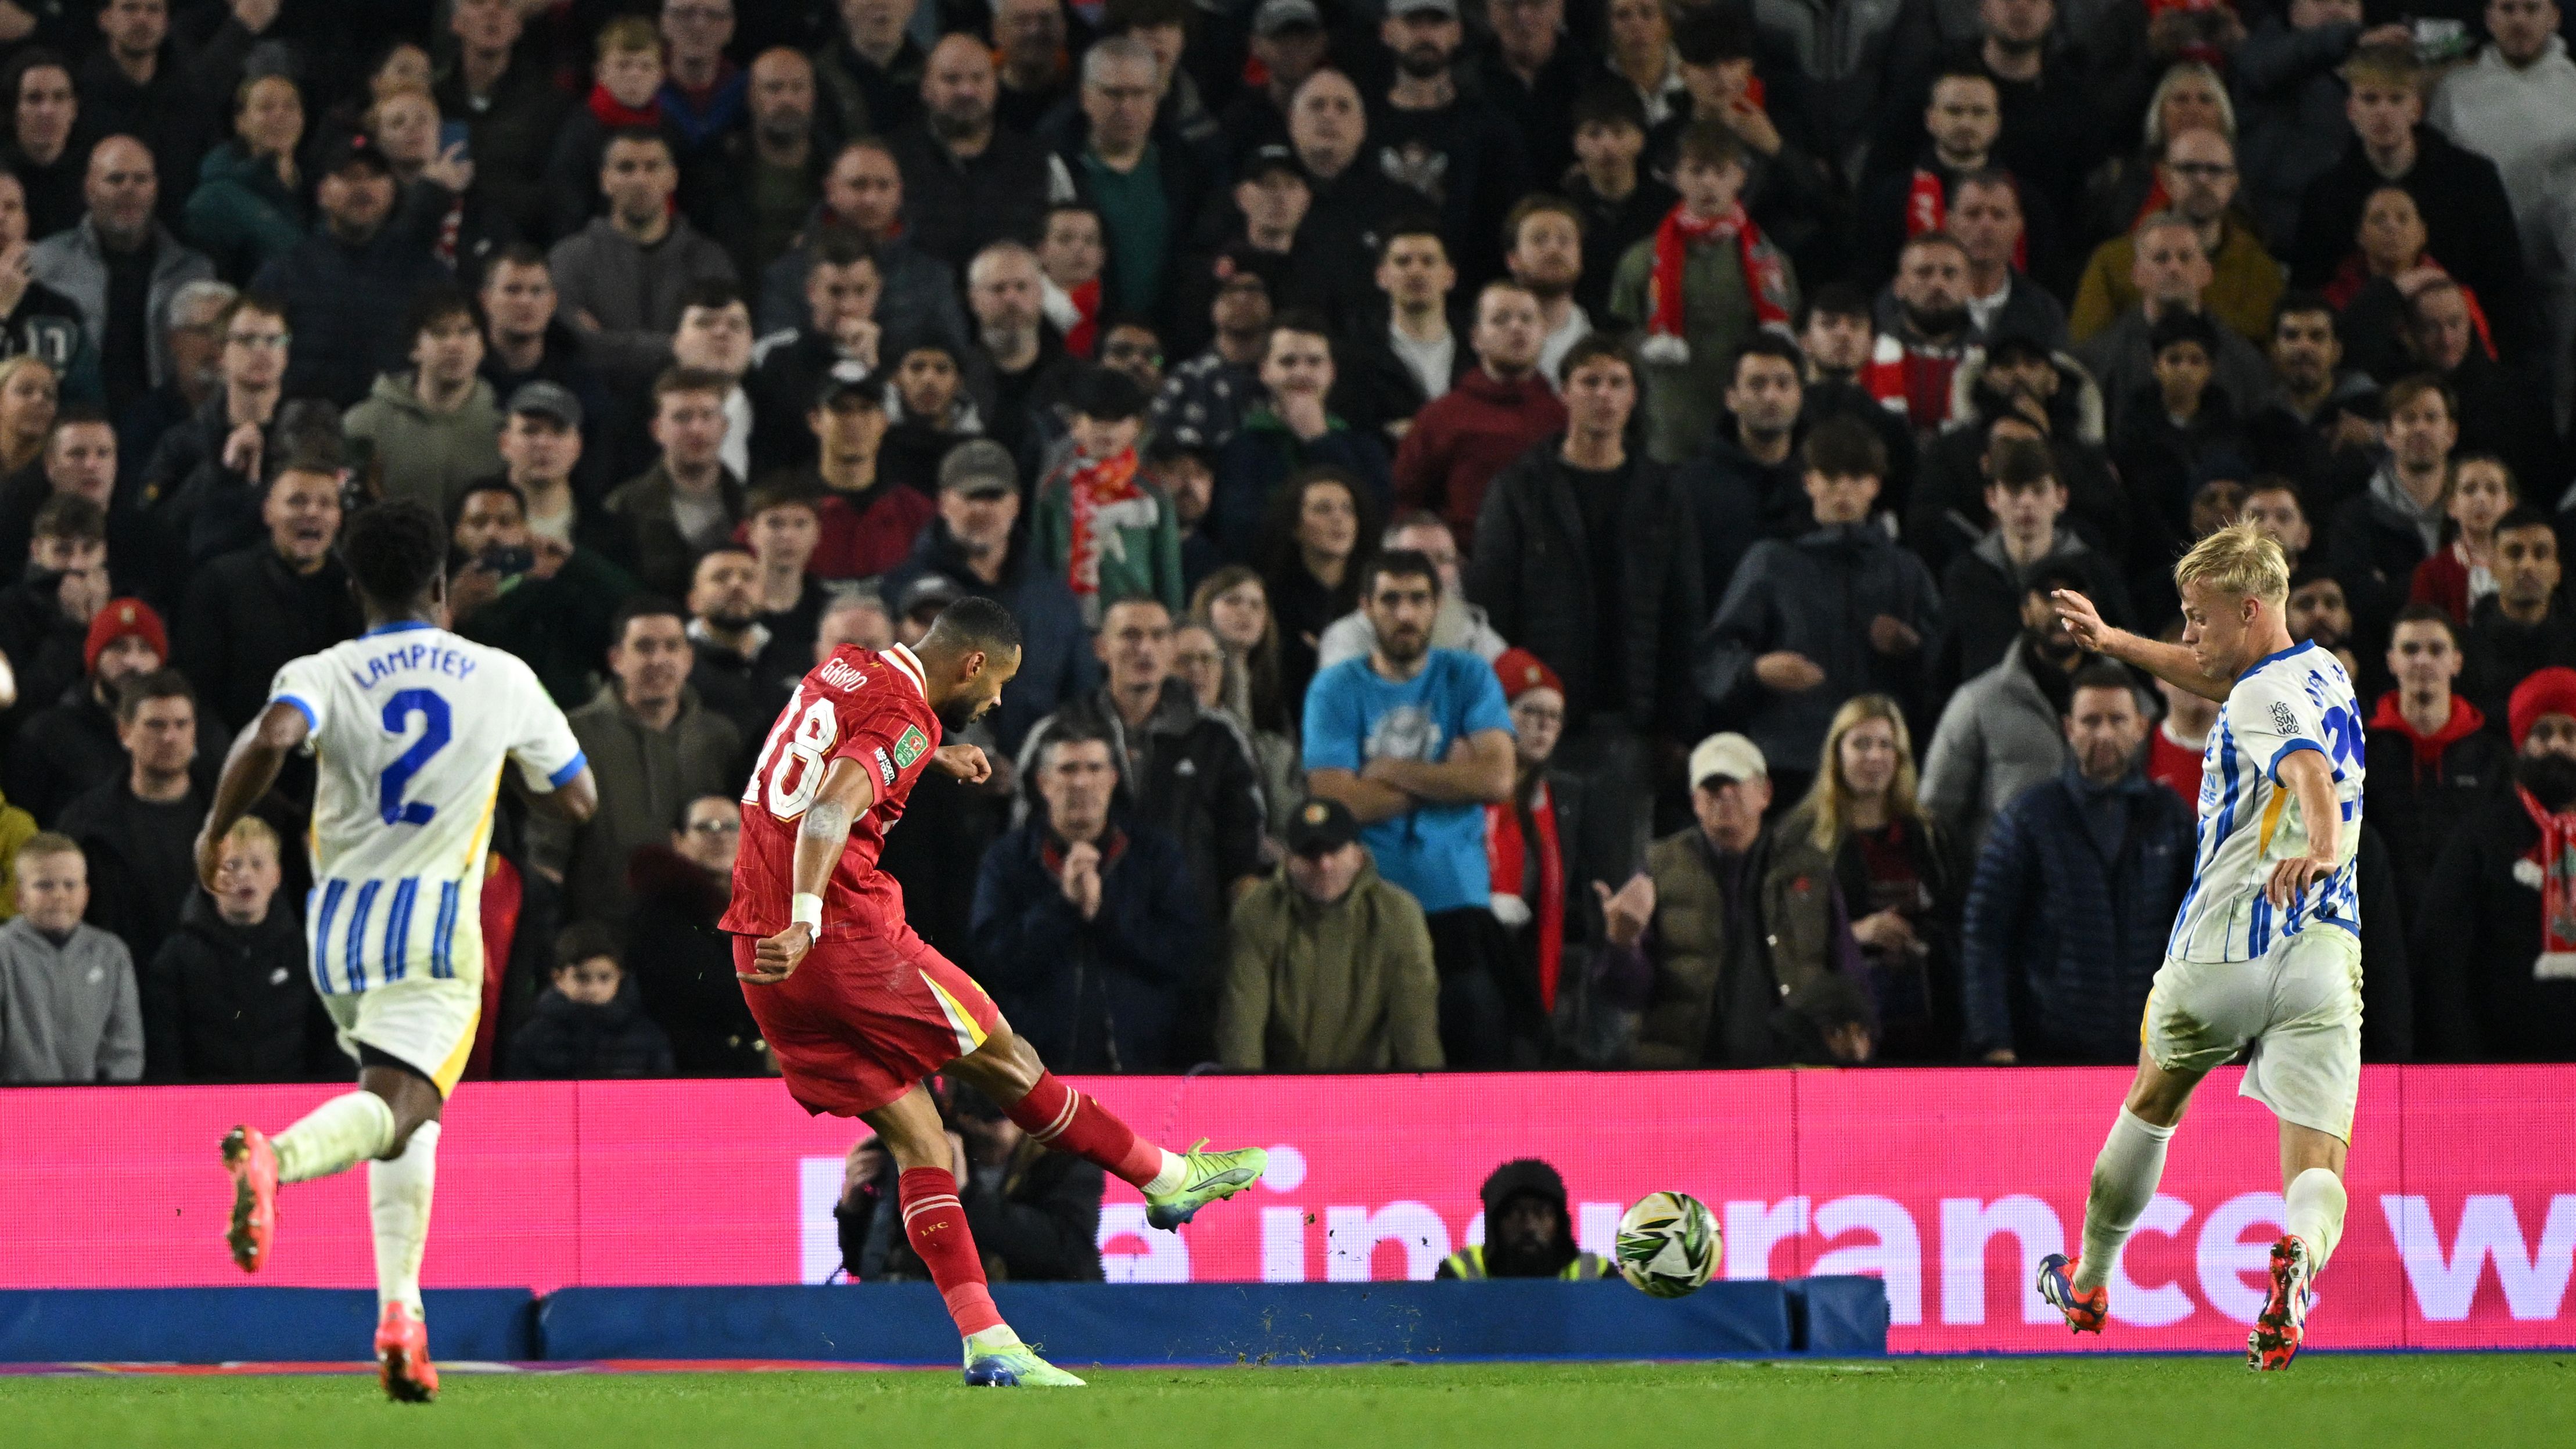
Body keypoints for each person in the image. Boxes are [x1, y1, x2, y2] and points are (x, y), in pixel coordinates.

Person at [725, 594, 1267, 1387]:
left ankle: (988, 1340)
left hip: (756, 954)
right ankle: (1165, 1178)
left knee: (917, 1137)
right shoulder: (904, 717)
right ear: (971, 662)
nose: (998, 702)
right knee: (1010, 1061)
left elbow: (816, 755)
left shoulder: (843, 664)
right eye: (1000, 683)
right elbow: (830, 803)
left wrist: (926, 755)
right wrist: (809, 915)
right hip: (836, 936)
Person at [205, 499, 599, 1401]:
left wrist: (217, 828)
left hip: (337, 939)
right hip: (432, 936)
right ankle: (279, 1158)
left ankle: (400, 1317)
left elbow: (272, 735)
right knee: (400, 1100)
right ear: (438, 584)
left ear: (355, 588)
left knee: (409, 1109)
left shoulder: (324, 668)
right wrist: (499, 777)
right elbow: (575, 799)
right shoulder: (499, 676)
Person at [2040, 522, 2367, 1369]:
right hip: (2320, 953)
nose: (2188, 634)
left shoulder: (2259, 698)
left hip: (2221, 946)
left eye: (2198, 617)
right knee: (2317, 1158)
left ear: (2248, 609)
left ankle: (2087, 1277)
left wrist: (2322, 845)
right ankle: (2296, 1256)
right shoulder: (2321, 670)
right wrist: (2112, 640)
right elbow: (2226, 679)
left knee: (2151, 1101)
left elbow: (2305, 771)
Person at [1303, 550, 1521, 1065]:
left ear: (1437, 605)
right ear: (1366, 608)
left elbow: (1496, 777)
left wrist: (1387, 770)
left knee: (1474, 1066)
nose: (1405, 614)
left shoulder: (1467, 675)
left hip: (1458, 901)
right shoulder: (1335, 687)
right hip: (1367, 901)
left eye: (1418, 600)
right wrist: (1449, 775)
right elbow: (1337, 803)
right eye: (1390, 600)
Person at [1961, 663, 2196, 1066]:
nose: (2103, 732)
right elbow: (1984, 936)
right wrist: (1993, 1041)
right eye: (2090, 720)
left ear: (2141, 726)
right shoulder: (2028, 818)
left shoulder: (2170, 818)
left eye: (2116, 719)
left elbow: (2201, 934)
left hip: (2152, 1053)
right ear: (2068, 728)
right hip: (2048, 1054)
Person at [1698, 418, 1941, 802]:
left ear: (1875, 486)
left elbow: (1945, 668)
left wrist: (1913, 647)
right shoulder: (1771, 562)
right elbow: (1714, 656)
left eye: (1856, 476)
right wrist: (1757, 670)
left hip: (1880, 766)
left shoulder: (1905, 571)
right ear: (1808, 481)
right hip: (1790, 763)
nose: (1842, 488)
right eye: (1830, 476)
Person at [1597, 731, 1870, 1067]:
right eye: (1712, 787)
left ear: (1765, 793)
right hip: (1687, 1075)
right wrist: (1623, 944)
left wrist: (1860, 1037)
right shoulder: (1659, 868)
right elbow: (1624, 996)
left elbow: (1848, 971)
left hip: (1792, 1071)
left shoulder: (1809, 869)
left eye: (1736, 783)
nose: (1725, 794)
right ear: (1695, 801)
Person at [971, 721, 1200, 1073]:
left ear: (1113, 779)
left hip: (1142, 1068)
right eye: (1067, 769)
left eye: (1094, 769)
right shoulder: (1007, 860)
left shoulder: (1156, 855)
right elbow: (992, 962)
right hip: (1035, 1074)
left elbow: (1182, 954)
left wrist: (1104, 914)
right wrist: (1062, 907)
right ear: (1043, 783)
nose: (1081, 782)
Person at [535, 598, 741, 929]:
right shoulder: (571, 736)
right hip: (602, 941)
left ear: (688, 659)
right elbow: (546, 854)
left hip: (703, 938)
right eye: (644, 647)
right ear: (616, 659)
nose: (659, 660)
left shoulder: (720, 738)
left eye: (672, 647)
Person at [881, 441, 1096, 756]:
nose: (982, 509)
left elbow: (1081, 696)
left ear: (1016, 504)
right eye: (970, 496)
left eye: (994, 496)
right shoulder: (904, 593)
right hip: (931, 781)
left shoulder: (1051, 594)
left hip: (1038, 780)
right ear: (943, 503)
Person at [1784, 695, 1964, 1064]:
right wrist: (1856, 934)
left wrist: (1917, 940)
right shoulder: (1802, 836)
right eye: (1861, 744)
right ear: (1837, 754)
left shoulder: (1930, 833)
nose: (1874, 756)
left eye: (1885, 745)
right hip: (1839, 1027)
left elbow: (1958, 916)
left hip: (1927, 1024)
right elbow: (1785, 934)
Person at [2410, 667, 2576, 1062]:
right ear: (2520, 744)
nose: (2555, 744)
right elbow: (2441, 956)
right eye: (2541, 733)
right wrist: (2463, 1059)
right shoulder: (2480, 836)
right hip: (2500, 1068)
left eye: (2569, 734)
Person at [1609, 120, 1798, 463]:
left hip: (1747, 435)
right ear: (1676, 178)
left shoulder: (1773, 265)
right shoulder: (1640, 263)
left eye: (1721, 171)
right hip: (1669, 432)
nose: (1709, 182)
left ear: (1740, 177)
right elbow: (1623, 347)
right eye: (1696, 171)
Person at [248, 136, 445, 410]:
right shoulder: (285, 273)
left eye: (375, 176)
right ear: (322, 193)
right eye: (348, 177)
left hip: (402, 426)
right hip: (309, 428)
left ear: (391, 190)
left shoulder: (426, 272)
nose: (363, 187)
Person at [27, 134, 214, 418]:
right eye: (116, 179)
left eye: (141, 180)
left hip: (163, 425)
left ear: (155, 188)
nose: (129, 189)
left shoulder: (194, 272)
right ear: (88, 189)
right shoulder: (45, 264)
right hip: (68, 420)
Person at [143, 815, 335, 1084]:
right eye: (232, 865)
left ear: (276, 876)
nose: (245, 874)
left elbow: (328, 1043)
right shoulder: (177, 958)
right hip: (202, 1108)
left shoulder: (305, 952)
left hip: (290, 1108)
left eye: (257, 864)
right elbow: (165, 1055)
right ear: (209, 876)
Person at [1933, 436, 2128, 697]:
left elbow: (2125, 651)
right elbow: (1946, 668)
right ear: (1991, 498)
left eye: (2038, 490)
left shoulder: (2096, 574)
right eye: (2014, 491)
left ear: (2061, 497)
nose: (2026, 502)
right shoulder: (1967, 577)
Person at [547, 129, 738, 393]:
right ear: (605, 180)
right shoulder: (570, 259)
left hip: (688, 407)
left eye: (652, 167)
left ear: (672, 178)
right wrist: (674, 346)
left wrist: (609, 342)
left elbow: (716, 345)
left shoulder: (708, 259)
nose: (640, 180)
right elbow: (576, 345)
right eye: (626, 168)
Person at [1920, 563, 2093, 852]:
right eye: (2049, 599)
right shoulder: (1978, 702)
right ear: (2025, 613)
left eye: (2074, 599)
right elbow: (1936, 811)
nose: (2062, 612)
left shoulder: (2127, 698)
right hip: (2007, 882)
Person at [2070, 130, 2282, 348]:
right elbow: (2085, 352)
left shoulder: (2261, 271)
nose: (2202, 180)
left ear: (2233, 182)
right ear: (2165, 178)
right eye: (2189, 169)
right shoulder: (2113, 262)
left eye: (2215, 170)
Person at [1391, 281, 1565, 544]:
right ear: (1476, 338)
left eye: (1527, 319)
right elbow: (1405, 502)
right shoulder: (1441, 418)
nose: (1516, 328)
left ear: (1544, 332)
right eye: (1501, 319)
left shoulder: (1565, 415)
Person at [2366, 605, 2507, 926]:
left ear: (2457, 661)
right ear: (2392, 661)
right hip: (2383, 921)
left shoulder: (2493, 759)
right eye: (2411, 649)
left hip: (2472, 923)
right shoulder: (2361, 752)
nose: (2423, 660)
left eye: (2436, 649)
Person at [55, 668, 202, 968]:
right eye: (156, 725)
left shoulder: (228, 816)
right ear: (125, 732)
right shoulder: (86, 825)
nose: (170, 737)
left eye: (181, 724)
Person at [620, 793, 764, 1077]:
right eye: (705, 827)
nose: (719, 836)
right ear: (678, 840)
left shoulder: (770, 905)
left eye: (731, 826)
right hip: (686, 1074)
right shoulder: (659, 913)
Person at [890, 35, 1055, 276]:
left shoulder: (1035, 160)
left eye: (978, 78)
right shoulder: (892, 161)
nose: (966, 91)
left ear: (995, 85)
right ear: (926, 88)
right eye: (951, 79)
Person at [1030, 365, 1181, 626]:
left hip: (1138, 622)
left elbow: (1168, 567)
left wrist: (1173, 621)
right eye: (1097, 418)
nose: (1108, 431)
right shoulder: (1055, 489)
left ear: (1137, 426)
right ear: (1075, 424)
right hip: (1070, 622)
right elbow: (1041, 562)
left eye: (1120, 420)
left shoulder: (1152, 490)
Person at [341, 286, 502, 514]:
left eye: (466, 332)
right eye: (440, 333)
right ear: (414, 349)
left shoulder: (504, 426)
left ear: (482, 346)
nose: (454, 345)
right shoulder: (365, 425)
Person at [0, 833, 142, 1083]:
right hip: (15, 1110)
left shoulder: (111, 953)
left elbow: (125, 1049)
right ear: (19, 897)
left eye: (70, 885)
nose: (59, 895)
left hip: (95, 1111)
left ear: (86, 894)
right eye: (44, 885)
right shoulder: (4, 951)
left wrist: (109, 1102)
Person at [601, 368, 745, 599]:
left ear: (724, 426)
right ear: (657, 430)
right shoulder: (623, 506)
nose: (696, 429)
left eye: (707, 416)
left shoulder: (751, 504)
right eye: (682, 417)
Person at [2327, 373, 2456, 625]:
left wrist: (2391, 586)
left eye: (2431, 418)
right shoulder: (2355, 519)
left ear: (2451, 433)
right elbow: (2360, 604)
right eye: (2409, 418)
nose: (2420, 428)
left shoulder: (2473, 516)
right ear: (2387, 434)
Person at [1315, 512, 1505, 671]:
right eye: (1416, 559)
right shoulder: (1347, 639)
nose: (1431, 570)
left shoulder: (1476, 636)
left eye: (1444, 558)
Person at [504, 922, 676, 1080]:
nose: (594, 988)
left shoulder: (646, 1037)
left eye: (604, 977)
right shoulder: (533, 1038)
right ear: (558, 978)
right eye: (582, 978)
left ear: (620, 977)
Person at [2464, 506, 2576, 728]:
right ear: (2493, 567)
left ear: (2557, 571)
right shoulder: (2464, 650)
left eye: (2540, 554)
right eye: (2515, 553)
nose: (2527, 565)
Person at [1435, 1157, 1610, 1279]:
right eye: (1515, 1213)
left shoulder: (1597, 1275)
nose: (1529, 1226)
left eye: (1541, 1213)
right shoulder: (1460, 1273)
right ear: (1495, 1223)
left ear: (1560, 1222)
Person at [2407, 452, 2514, 625]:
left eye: (2492, 490)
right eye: (2469, 490)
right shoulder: (2431, 574)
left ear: (2510, 505)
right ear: (2451, 506)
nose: (2481, 499)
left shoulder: (2528, 565)